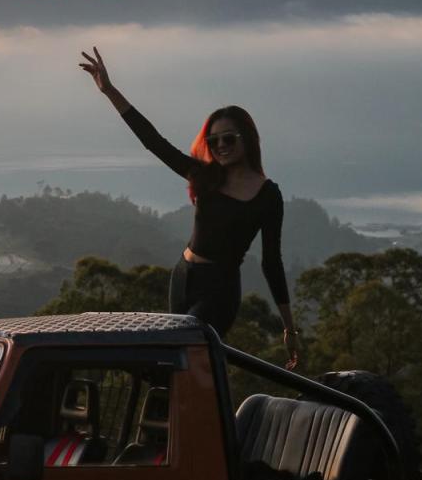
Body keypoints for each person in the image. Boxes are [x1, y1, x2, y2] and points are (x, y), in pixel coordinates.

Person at [79, 46, 301, 369]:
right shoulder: (206, 176)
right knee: (176, 364)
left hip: (218, 290)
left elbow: (271, 262)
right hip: (183, 277)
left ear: (247, 140)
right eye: (214, 141)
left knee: (181, 357)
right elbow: (154, 141)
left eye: (229, 139)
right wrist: (110, 91)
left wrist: (288, 325)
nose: (220, 146)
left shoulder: (268, 196)